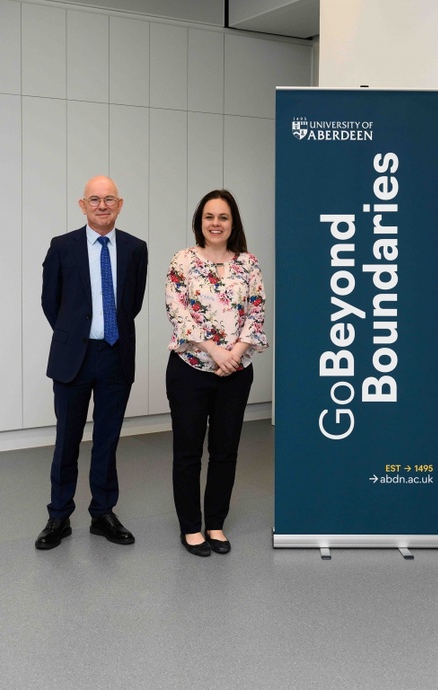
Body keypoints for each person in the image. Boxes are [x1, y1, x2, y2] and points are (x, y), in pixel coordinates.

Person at [35, 176, 148, 550]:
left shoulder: (135, 249)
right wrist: (76, 336)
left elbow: (132, 304)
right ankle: (59, 515)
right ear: (83, 205)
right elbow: (51, 302)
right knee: (67, 438)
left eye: (109, 199)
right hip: (74, 358)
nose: (102, 205)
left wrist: (107, 332)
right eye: (94, 199)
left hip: (115, 354)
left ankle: (102, 512)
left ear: (120, 204)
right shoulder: (62, 246)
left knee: (107, 439)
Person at [165, 189, 268, 556]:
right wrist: (214, 351)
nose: (216, 223)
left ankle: (215, 524)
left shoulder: (248, 264)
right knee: (188, 451)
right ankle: (191, 528)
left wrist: (234, 355)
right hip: (190, 370)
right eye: (209, 216)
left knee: (225, 451)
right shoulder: (183, 261)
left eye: (223, 217)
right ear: (200, 222)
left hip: (236, 373)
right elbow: (178, 312)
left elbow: (256, 313)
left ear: (233, 223)